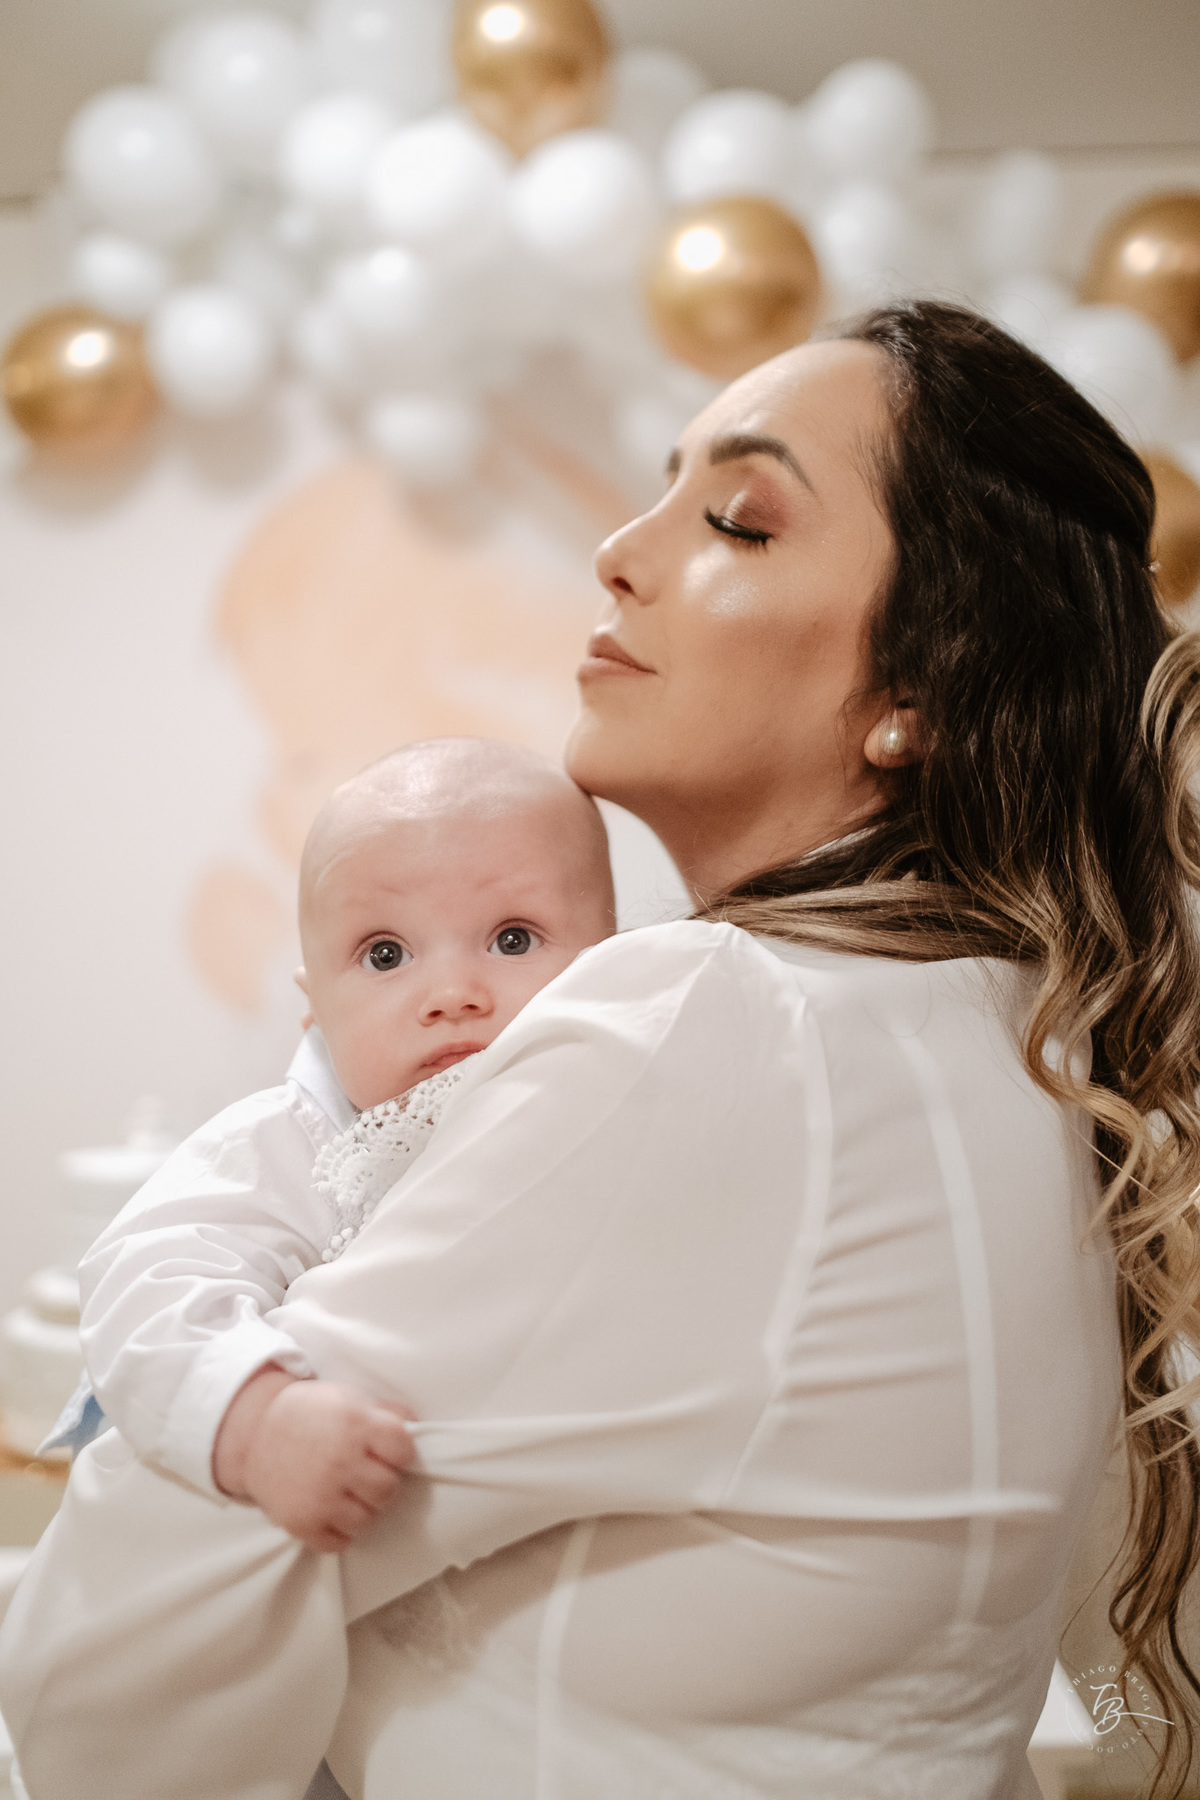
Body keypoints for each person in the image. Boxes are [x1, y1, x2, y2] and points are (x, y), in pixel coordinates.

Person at [4, 299, 1200, 1800]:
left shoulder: (719, 1026)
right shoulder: (1000, 1018)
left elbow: (112, 1667)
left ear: (919, 686)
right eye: (658, 484)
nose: (620, 549)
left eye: (741, 520)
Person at [48, 735, 616, 1550]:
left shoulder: (614, 1116)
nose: (452, 994)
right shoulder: (289, 1145)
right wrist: (256, 1421)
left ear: (616, 961)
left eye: (513, 938)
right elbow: (148, 1280)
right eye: (385, 955)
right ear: (315, 1009)